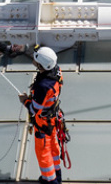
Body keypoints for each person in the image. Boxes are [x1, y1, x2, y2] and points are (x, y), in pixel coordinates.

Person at [21, 46, 67, 184]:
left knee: (44, 155)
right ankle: (57, 177)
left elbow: (35, 109)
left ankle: (50, 180)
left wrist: (24, 101)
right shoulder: (56, 70)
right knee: (53, 149)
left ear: (40, 64)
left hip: (43, 124)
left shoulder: (43, 86)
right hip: (52, 120)